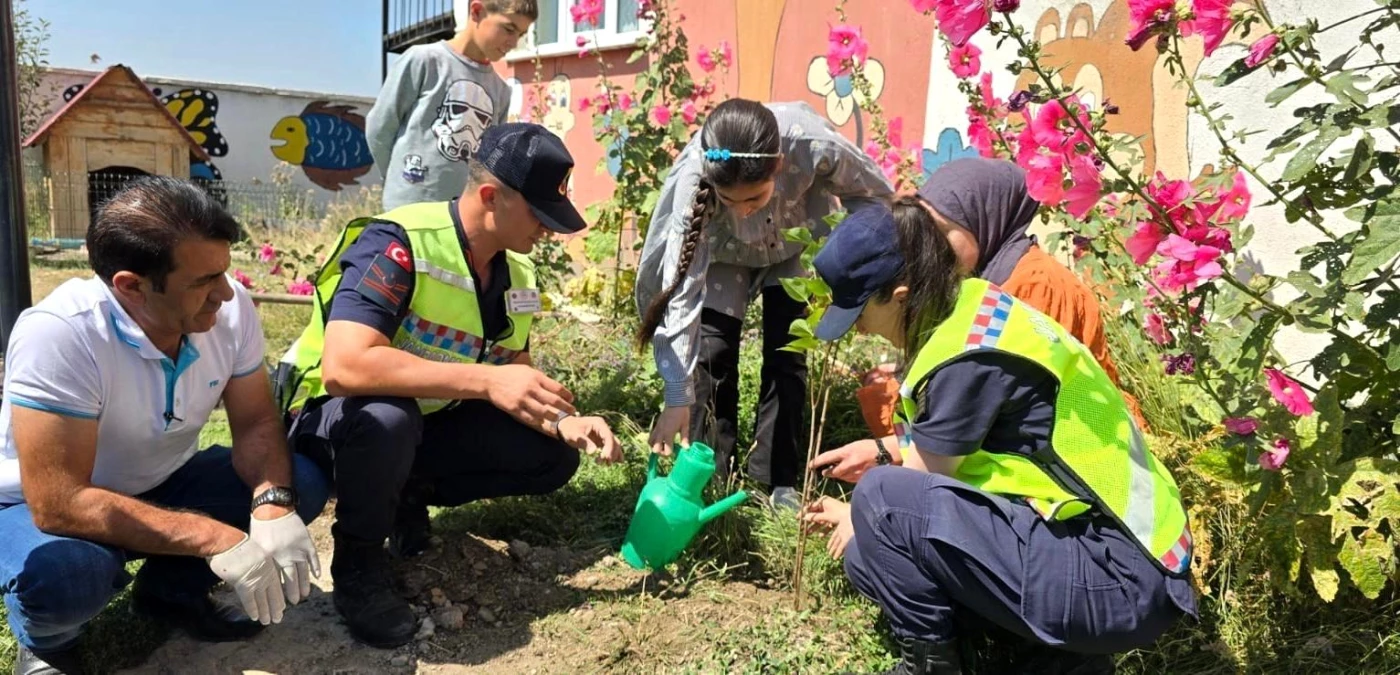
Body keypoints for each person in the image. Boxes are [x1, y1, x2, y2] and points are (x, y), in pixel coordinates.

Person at [801, 200, 1196, 674]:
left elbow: (911, 498)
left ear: (901, 294)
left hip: (1117, 577)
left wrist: (857, 509)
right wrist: (882, 458)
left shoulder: (966, 358)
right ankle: (1053, 659)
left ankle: (932, 667)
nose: (857, 326)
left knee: (880, 500)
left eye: (858, 310)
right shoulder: (973, 309)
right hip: (1105, 554)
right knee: (868, 558)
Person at [275, 122, 622, 650]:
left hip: (419, 423)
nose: (548, 231)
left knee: (552, 455)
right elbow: (344, 368)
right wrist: (487, 381)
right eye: (539, 214)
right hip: (331, 419)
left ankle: (403, 496)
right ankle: (358, 561)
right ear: (490, 197)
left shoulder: (518, 277)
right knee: (388, 419)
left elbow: (515, 376)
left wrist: (564, 420)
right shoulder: (398, 242)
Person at [0, 177, 329, 675]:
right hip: (38, 503)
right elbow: (59, 501)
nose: (225, 293)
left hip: (162, 480)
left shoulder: (229, 306)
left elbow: (258, 421)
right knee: (65, 575)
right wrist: (212, 537)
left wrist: (271, 503)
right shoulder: (61, 334)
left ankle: (170, 595)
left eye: (224, 271)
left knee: (298, 482)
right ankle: (47, 640)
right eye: (202, 282)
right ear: (131, 285)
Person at [634, 99, 893, 509]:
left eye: (753, 200)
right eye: (728, 201)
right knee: (712, 351)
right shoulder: (695, 176)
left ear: (778, 167)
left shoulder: (812, 145)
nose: (741, 214)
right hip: (723, 253)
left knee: (786, 351)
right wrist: (676, 397)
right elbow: (680, 294)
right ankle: (711, 476)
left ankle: (777, 481)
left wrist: (855, 255)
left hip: (793, 241)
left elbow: (876, 196)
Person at [831, 156, 1145, 476]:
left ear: (986, 220)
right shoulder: (980, 279)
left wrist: (888, 450)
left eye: (941, 231)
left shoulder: (1035, 284)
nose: (927, 245)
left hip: (1086, 455)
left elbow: (995, 410)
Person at [366, 0, 535, 211]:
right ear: (477, 11)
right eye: (509, 29)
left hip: (461, 218)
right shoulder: (423, 61)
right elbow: (380, 128)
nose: (513, 42)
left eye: (520, 34)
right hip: (407, 210)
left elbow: (489, 160)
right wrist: (398, 180)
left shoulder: (500, 90)